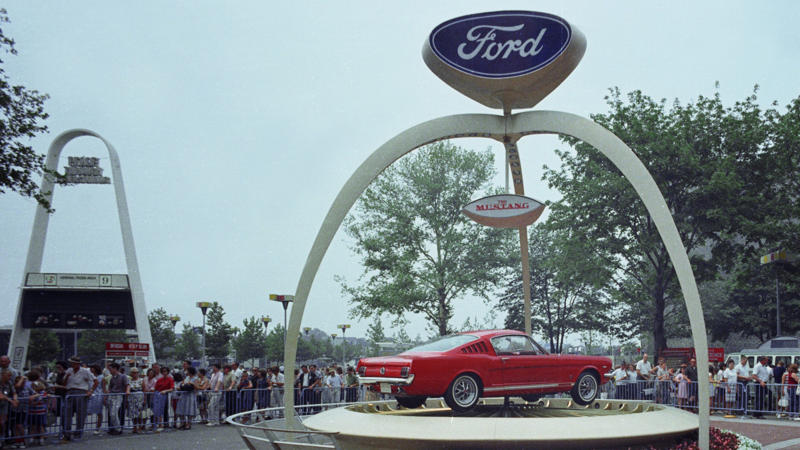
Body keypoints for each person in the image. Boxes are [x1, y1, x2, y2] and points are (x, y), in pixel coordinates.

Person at [62, 356, 97, 442]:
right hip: (70, 392)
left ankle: (78, 433)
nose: (72, 365)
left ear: (78, 364)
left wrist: (91, 391)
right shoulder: (69, 370)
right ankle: (67, 433)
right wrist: (66, 377)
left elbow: (96, 381)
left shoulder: (85, 371)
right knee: (67, 414)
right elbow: (64, 383)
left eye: (73, 363)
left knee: (81, 414)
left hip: (81, 392)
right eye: (71, 363)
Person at [106, 362, 128, 434]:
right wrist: (108, 393)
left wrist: (127, 391)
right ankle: (113, 427)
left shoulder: (123, 376)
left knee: (114, 413)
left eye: (111, 369)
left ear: (115, 369)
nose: (110, 371)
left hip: (119, 395)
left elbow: (127, 384)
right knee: (111, 413)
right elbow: (110, 387)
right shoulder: (112, 378)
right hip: (112, 395)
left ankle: (118, 428)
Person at [0, 369, 18, 447]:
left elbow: (14, 392)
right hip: (3, 401)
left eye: (10, 376)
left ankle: (2, 439)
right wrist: (11, 400)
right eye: (8, 375)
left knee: (2, 422)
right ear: (3, 375)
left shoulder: (9, 383)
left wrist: (15, 399)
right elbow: (1, 395)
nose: (10, 377)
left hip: (4, 405)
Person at [27, 381, 48, 446]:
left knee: (40, 426)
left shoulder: (43, 393)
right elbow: (30, 400)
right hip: (32, 412)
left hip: (40, 412)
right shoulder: (31, 392)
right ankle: (32, 438)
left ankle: (41, 439)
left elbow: (44, 399)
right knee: (33, 426)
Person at [153, 367, 174, 432]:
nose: (164, 373)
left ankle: (164, 423)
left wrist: (165, 391)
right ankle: (158, 424)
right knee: (157, 409)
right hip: (158, 395)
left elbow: (172, 388)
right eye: (163, 371)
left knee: (165, 409)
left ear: (167, 372)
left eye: (165, 371)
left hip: (166, 395)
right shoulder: (159, 379)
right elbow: (156, 388)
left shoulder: (170, 379)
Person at [127, 367, 147, 433]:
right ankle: (134, 427)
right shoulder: (129, 381)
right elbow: (128, 388)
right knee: (133, 414)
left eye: (136, 372)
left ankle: (140, 427)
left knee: (140, 414)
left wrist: (145, 399)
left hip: (140, 398)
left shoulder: (141, 380)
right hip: (132, 398)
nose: (135, 374)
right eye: (133, 372)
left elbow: (144, 390)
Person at [86, 365, 105, 436]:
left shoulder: (101, 377)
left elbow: (103, 388)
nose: (91, 369)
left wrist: (105, 397)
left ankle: (98, 428)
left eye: (92, 368)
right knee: (86, 411)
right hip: (90, 395)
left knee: (99, 413)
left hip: (98, 395)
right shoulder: (90, 376)